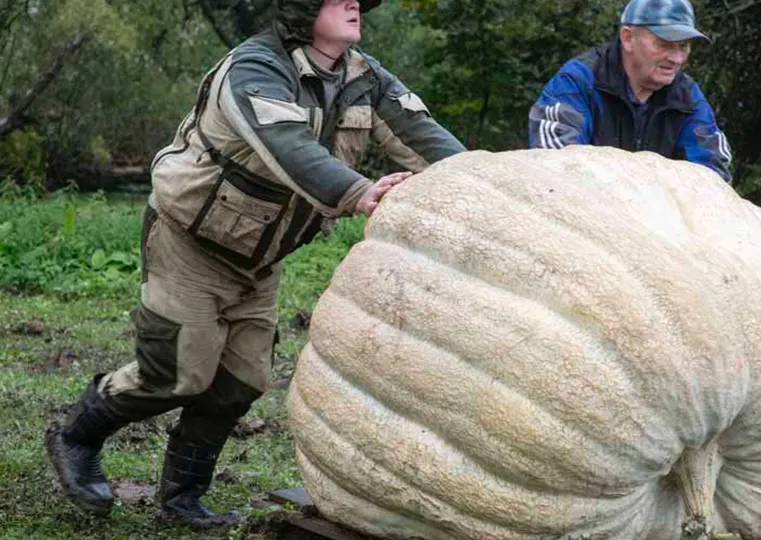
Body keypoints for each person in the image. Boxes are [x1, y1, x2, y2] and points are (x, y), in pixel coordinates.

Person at [44, 0, 465, 529]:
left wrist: (486, 182)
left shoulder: (365, 78)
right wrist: (358, 191)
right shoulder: (254, 68)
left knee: (241, 380)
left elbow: (425, 138)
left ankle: (182, 498)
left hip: (261, 259)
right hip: (190, 244)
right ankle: (76, 437)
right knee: (178, 374)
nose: (355, 4)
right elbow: (285, 146)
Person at [528, 0, 733, 183]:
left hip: (658, 218)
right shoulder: (579, 80)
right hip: (587, 209)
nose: (677, 58)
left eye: (683, 46)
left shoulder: (687, 97)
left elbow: (712, 173)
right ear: (627, 38)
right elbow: (555, 161)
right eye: (664, 44)